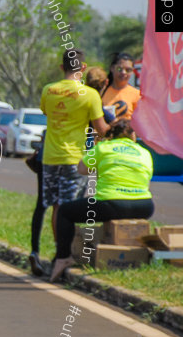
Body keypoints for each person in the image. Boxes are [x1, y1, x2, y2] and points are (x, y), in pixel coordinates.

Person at [50, 120, 154, 281]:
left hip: (111, 203)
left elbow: (82, 169)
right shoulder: (144, 153)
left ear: (110, 135)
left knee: (65, 211)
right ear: (133, 136)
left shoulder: (103, 148)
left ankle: (63, 257)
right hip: (144, 205)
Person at [39, 48, 109, 265]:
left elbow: (47, 113)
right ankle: (65, 254)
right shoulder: (90, 95)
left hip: (50, 157)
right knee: (69, 207)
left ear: (62, 67)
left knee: (56, 207)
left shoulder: (48, 90)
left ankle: (60, 251)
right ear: (83, 68)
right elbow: (101, 129)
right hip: (73, 158)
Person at [101, 52, 141, 121]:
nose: (123, 72)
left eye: (128, 70)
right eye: (119, 69)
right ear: (112, 68)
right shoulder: (102, 91)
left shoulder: (137, 95)